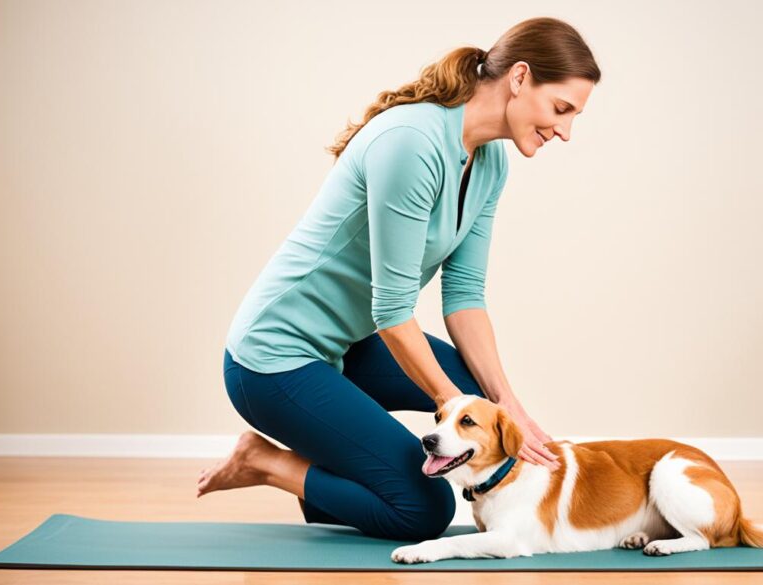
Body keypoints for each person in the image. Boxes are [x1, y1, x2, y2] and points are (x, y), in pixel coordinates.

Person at [197, 16, 600, 542]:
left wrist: (509, 404)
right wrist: (457, 411)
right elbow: (392, 312)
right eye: (561, 110)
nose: (565, 131)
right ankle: (265, 462)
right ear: (519, 78)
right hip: (273, 361)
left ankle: (329, 469)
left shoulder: (490, 161)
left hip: (345, 346)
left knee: (486, 403)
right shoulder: (412, 142)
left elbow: (464, 296)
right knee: (424, 508)